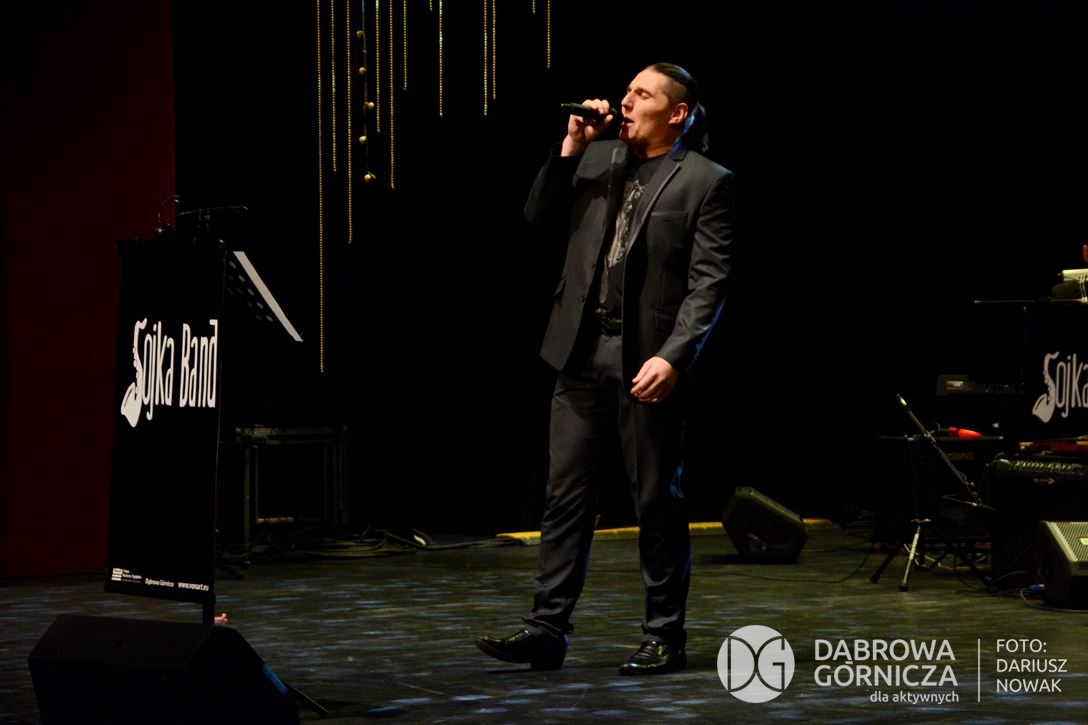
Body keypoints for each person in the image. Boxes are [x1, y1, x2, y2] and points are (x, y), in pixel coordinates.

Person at [474, 62, 735, 675]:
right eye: (627, 91)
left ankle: (664, 634)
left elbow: (710, 284)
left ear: (677, 113)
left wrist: (674, 356)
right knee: (564, 497)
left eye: (642, 94)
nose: (625, 101)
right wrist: (569, 149)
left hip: (646, 358)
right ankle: (547, 628)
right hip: (579, 351)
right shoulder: (596, 158)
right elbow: (536, 217)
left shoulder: (706, 181)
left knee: (655, 501)